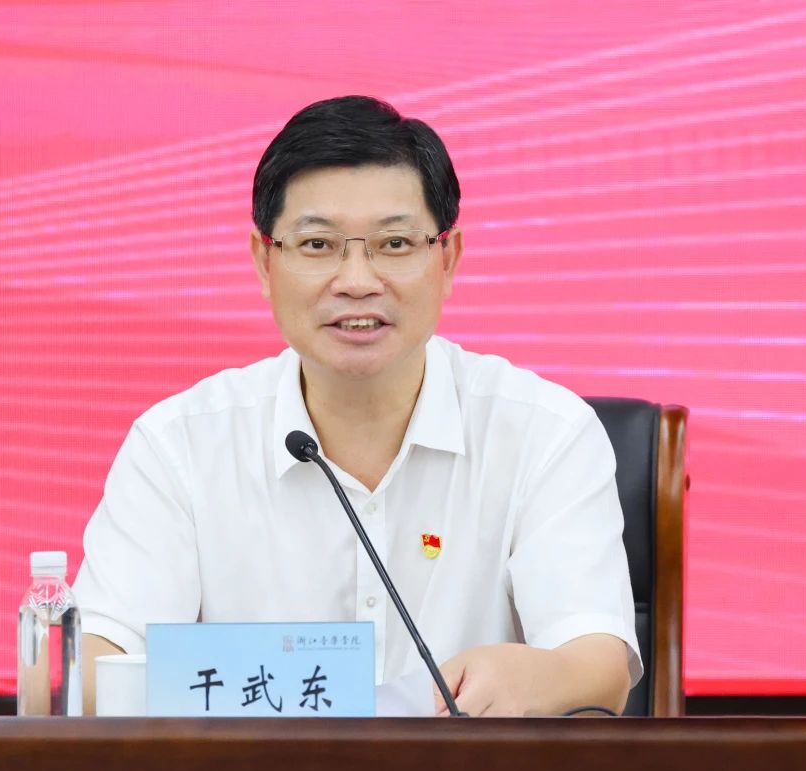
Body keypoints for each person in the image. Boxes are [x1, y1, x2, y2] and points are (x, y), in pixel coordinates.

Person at [72, 95, 641, 717]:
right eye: (318, 244)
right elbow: (100, 670)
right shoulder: (178, 446)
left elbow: (598, 667)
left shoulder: (545, 433)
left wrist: (539, 676)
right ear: (265, 261)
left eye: (394, 243)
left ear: (447, 258)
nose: (357, 281)